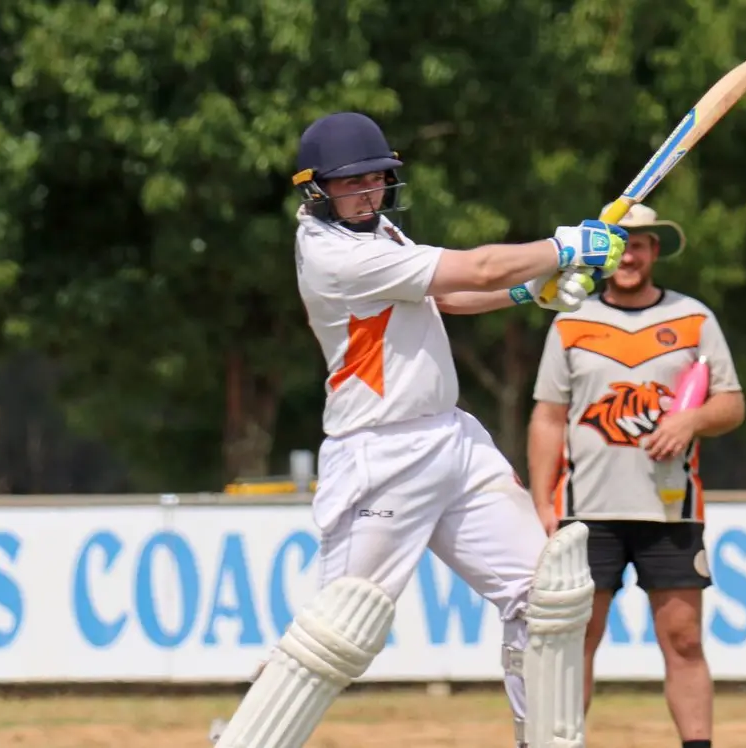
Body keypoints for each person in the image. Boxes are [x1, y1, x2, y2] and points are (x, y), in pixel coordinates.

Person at [208, 111, 625, 748]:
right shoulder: (334, 255)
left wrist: (530, 294)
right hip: (380, 452)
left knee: (546, 598)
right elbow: (480, 267)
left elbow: (449, 295)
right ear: (314, 188)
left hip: (452, 441)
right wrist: (563, 249)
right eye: (351, 184)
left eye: (376, 180)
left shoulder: (380, 234)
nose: (367, 194)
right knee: (337, 635)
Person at [526, 203, 746, 748]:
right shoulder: (572, 321)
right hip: (586, 512)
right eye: (622, 246)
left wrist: (692, 420)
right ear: (606, 258)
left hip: (670, 509)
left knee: (685, 639)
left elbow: (732, 404)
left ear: (654, 253)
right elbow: (548, 416)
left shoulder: (694, 318)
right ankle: (560, 741)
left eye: (642, 244)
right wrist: (540, 501)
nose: (632, 256)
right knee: (576, 641)